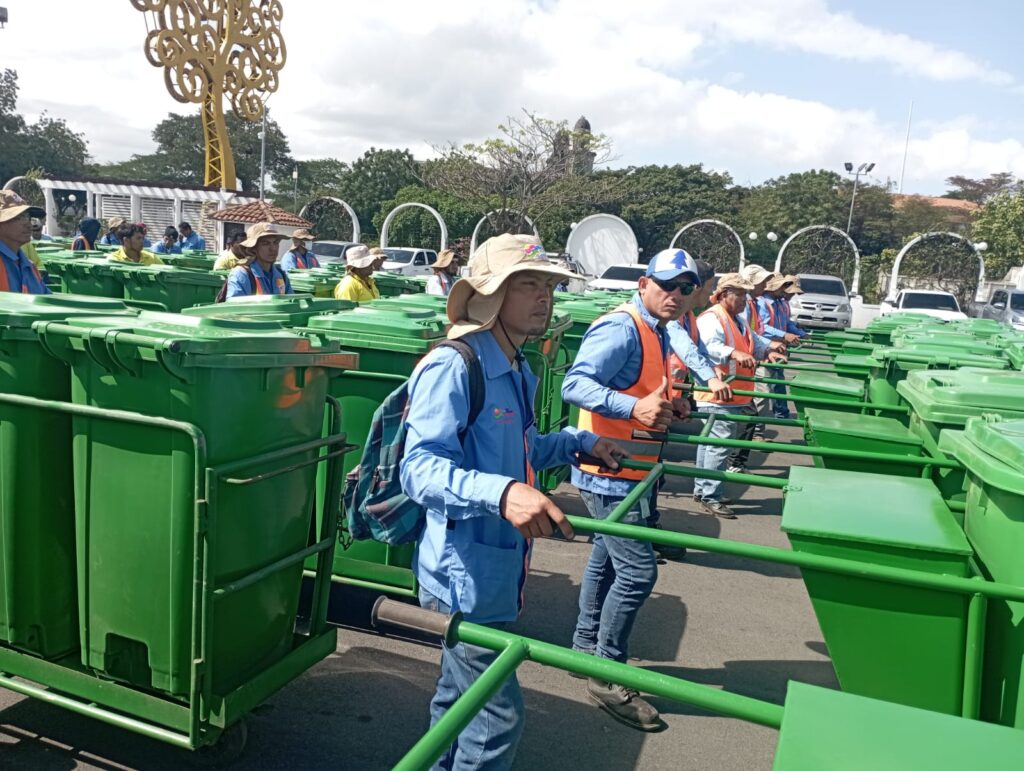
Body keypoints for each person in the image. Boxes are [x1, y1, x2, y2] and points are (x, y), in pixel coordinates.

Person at [401, 233, 625, 770]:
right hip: (463, 576)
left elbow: (519, 452)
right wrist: (501, 493)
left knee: (457, 704)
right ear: (490, 296)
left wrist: (577, 442)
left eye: (548, 285)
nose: (544, 297)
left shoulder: (519, 367)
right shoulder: (456, 365)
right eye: (528, 284)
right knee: (494, 719)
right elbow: (419, 468)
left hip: (499, 569)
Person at [562, 248, 701, 732]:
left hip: (631, 470)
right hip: (608, 472)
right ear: (644, 283)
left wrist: (672, 406)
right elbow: (575, 385)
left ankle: (586, 649)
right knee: (639, 573)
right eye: (668, 285)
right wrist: (631, 408)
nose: (677, 295)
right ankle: (608, 672)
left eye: (686, 288)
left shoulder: (658, 329)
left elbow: (644, 391)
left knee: (605, 559)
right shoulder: (621, 327)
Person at [694, 274, 786, 518]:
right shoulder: (712, 318)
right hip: (717, 392)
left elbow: (752, 342)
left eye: (746, 294)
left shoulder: (738, 320)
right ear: (725, 295)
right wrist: (733, 353)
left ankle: (704, 489)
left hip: (733, 394)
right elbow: (709, 346)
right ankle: (710, 495)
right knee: (719, 445)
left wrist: (768, 349)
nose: (745, 299)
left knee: (711, 445)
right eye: (741, 295)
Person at [726, 264, 789, 473]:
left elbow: (752, 333)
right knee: (742, 412)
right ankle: (733, 462)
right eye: (761, 281)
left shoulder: (749, 304)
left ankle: (736, 461)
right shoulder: (736, 308)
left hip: (747, 361)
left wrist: (766, 349)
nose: (765, 285)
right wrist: (768, 346)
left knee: (746, 411)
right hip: (735, 364)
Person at [757, 275, 806, 419]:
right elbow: (762, 328)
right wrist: (784, 335)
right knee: (765, 387)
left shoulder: (781, 304)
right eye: (787, 289)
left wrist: (799, 333)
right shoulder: (763, 303)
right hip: (766, 348)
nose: (790, 294)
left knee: (777, 381)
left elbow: (787, 323)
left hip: (779, 347)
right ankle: (760, 422)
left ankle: (781, 412)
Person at [0, 190, 51, 294]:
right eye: (20, 218)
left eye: (28, 217)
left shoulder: (29, 267)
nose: (29, 225)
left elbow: (46, 301)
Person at [224, 222, 292, 298]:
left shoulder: (281, 275)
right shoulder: (241, 275)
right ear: (253, 248)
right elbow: (236, 308)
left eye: (275, 243)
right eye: (265, 243)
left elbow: (292, 306)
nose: (273, 248)